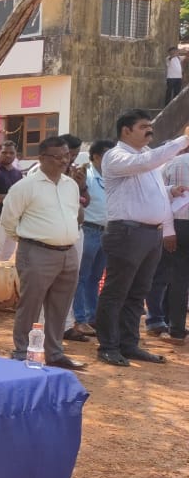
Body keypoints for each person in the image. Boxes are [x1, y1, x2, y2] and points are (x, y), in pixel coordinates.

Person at [94, 110, 189, 367]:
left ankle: (129, 344)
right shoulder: (117, 155)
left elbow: (148, 188)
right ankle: (108, 346)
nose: (150, 130)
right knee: (116, 292)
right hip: (127, 233)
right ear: (126, 130)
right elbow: (145, 163)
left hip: (149, 234)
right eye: (144, 126)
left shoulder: (144, 157)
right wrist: (183, 140)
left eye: (150, 125)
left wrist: (170, 190)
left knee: (138, 293)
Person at [0, 136, 86, 370]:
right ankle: (22, 352)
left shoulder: (70, 185)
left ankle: (54, 353)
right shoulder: (25, 186)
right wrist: (29, 241)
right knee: (31, 305)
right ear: (41, 158)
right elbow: (8, 220)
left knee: (60, 306)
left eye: (66, 156)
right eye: (57, 157)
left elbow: (74, 215)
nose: (63, 161)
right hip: (37, 252)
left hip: (68, 252)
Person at [68, 139, 115, 341]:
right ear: (96, 156)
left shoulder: (111, 176)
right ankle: (79, 318)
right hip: (88, 230)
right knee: (82, 276)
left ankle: (91, 316)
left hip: (106, 231)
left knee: (95, 277)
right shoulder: (85, 174)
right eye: (108, 155)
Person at [150, 147, 189, 343]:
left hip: (178, 225)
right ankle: (173, 326)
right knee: (178, 278)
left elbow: (159, 197)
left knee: (176, 277)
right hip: (178, 224)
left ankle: (174, 327)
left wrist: (167, 230)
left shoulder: (174, 163)